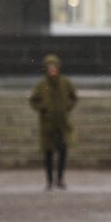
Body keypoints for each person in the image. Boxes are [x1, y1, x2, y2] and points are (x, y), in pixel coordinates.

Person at [28, 53, 77, 189]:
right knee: (48, 154)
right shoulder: (41, 85)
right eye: (49, 67)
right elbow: (33, 100)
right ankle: (49, 181)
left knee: (63, 153)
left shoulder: (65, 83)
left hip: (62, 124)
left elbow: (74, 97)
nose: (52, 70)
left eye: (54, 67)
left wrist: (67, 107)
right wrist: (42, 109)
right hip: (47, 126)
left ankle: (60, 179)